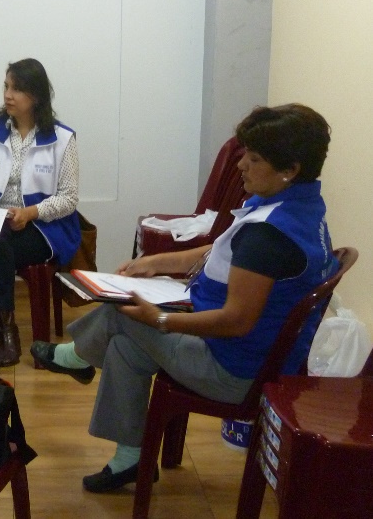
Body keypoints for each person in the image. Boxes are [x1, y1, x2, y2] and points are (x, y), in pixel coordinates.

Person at [30, 103, 338, 494]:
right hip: (251, 352)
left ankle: (76, 356)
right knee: (124, 346)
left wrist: (159, 318)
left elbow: (235, 321)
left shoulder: (270, 238)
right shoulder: (299, 205)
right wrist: (156, 263)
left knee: (122, 315)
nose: (240, 164)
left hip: (234, 371)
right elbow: (221, 250)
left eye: (254, 158)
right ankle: (130, 458)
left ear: (289, 170)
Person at [0, 58, 80, 372]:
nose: (8, 95)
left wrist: (31, 212)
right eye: (6, 86)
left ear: (37, 97)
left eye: (17, 89)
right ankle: (3, 333)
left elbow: (69, 199)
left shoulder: (61, 139)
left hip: (44, 229)